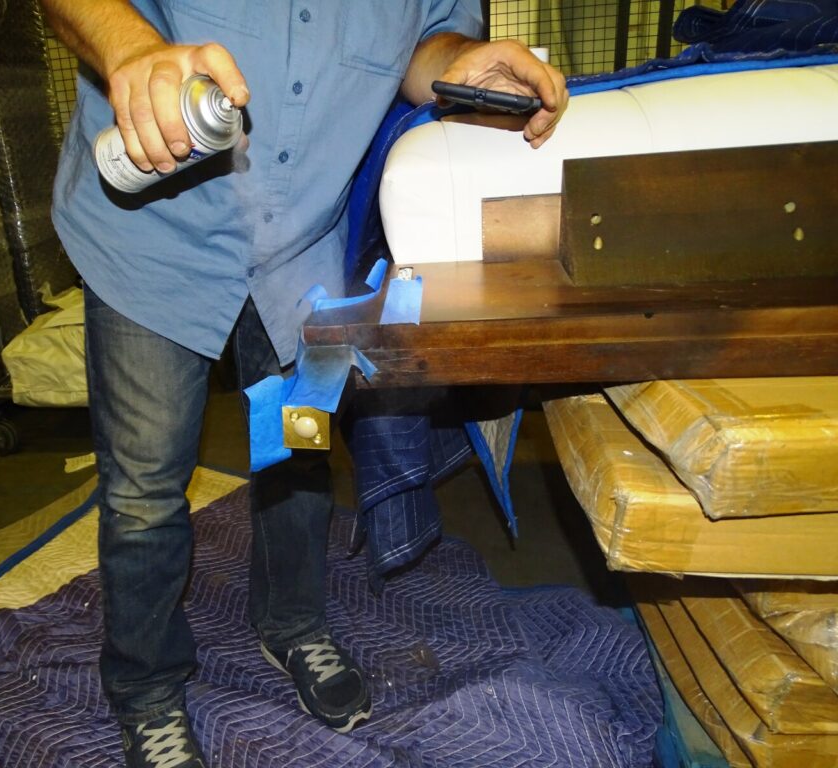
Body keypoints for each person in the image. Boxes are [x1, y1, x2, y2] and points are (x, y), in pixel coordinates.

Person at [39, 2, 567, 766]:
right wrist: (130, 47)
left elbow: (423, 41)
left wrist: (457, 60)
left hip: (303, 259)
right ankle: (147, 687)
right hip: (153, 243)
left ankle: (289, 622)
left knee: (294, 451)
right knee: (146, 491)